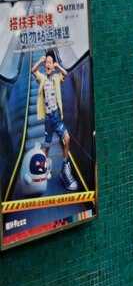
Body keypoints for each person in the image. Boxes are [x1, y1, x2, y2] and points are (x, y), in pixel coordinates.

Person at [32, 50, 77, 191]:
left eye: (50, 63)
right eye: (47, 63)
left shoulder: (57, 78)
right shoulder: (42, 79)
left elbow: (66, 74)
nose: (48, 65)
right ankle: (43, 170)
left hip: (57, 117)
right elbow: (33, 71)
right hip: (48, 120)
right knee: (47, 147)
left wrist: (58, 66)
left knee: (67, 138)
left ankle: (65, 167)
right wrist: (40, 61)